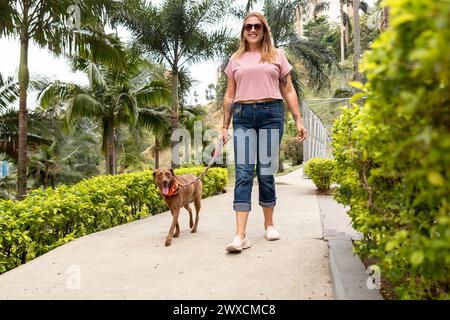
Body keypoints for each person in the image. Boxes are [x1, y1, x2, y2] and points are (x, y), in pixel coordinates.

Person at [220, 11, 307, 253]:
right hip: (243, 116)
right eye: (248, 27)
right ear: (243, 31)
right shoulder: (235, 59)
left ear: (264, 29)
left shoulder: (277, 55)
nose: (252, 30)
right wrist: (224, 126)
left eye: (257, 26)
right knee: (244, 172)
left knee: (266, 171)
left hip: (271, 114)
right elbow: (229, 95)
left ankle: (269, 225)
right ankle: (240, 236)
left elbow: (288, 90)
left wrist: (298, 119)